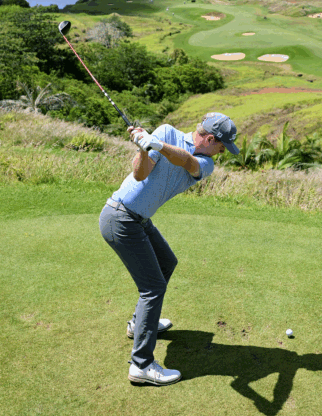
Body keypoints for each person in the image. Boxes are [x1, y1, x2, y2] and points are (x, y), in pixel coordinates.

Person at [99, 112, 240, 386]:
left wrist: (155, 145)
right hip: (120, 217)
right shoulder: (165, 132)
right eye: (221, 146)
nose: (222, 152)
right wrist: (143, 147)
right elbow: (139, 176)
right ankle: (141, 365)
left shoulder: (205, 163)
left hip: (138, 219)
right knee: (153, 288)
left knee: (166, 262)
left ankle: (137, 324)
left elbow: (185, 160)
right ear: (210, 138)